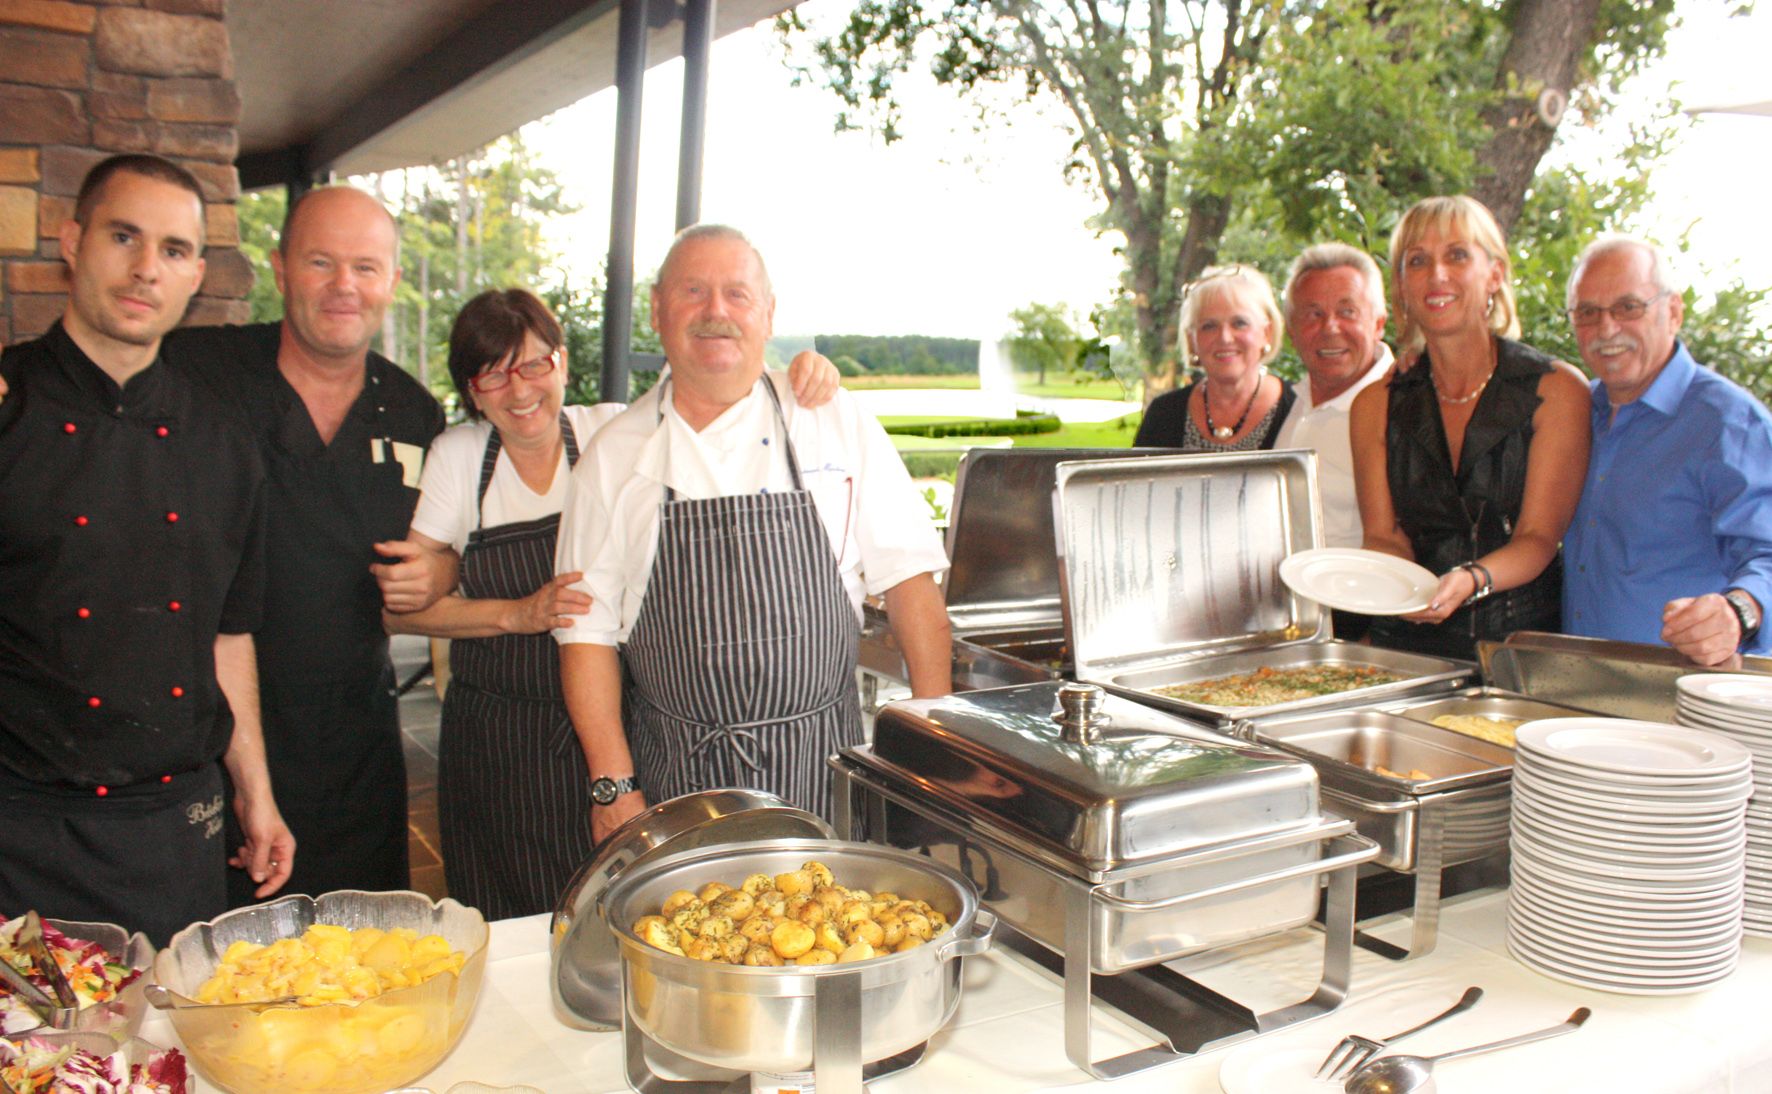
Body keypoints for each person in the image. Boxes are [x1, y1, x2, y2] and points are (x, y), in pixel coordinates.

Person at [378, 289, 839, 917]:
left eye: (535, 365)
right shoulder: (460, 457)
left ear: (562, 363)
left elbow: (718, 387)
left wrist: (800, 372)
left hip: (604, 729)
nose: (519, 391)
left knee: (613, 913)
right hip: (499, 741)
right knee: (508, 915)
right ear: (471, 388)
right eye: (493, 373)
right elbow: (403, 609)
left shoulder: (610, 432)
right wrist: (513, 613)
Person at [556, 224, 952, 841]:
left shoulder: (833, 421)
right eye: (693, 291)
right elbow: (585, 634)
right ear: (658, 311)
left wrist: (934, 747)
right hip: (677, 787)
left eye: (737, 294)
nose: (716, 311)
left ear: (768, 314)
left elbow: (910, 586)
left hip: (824, 773)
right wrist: (613, 787)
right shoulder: (612, 456)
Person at [0, 155, 294, 943]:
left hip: (176, 827)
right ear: (72, 240)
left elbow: (228, 634)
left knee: (171, 1055)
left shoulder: (224, 440)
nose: (143, 270)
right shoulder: (10, 406)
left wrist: (254, 793)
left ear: (196, 274)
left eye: (171, 250)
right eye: (123, 236)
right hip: (21, 825)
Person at [164, 187, 449, 902]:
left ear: (390, 281)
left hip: (357, 741)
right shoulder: (194, 371)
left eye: (366, 267)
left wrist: (443, 566)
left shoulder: (416, 412)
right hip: (211, 738)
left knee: (363, 959)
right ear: (281, 268)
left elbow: (446, 543)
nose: (344, 286)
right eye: (321, 262)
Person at [1350, 195, 1591, 661]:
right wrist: (1409, 590)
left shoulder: (1557, 390)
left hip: (1518, 652)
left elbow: (1538, 537)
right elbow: (1381, 536)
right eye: (1416, 261)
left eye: (1457, 255)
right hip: (1404, 649)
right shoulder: (1374, 404)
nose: (1436, 275)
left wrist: (1471, 579)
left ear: (1495, 274)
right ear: (1401, 286)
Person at [1560, 236, 1772, 665]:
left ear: (1673, 312)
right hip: (1577, 690)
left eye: (1628, 307)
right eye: (1588, 313)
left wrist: (1737, 611)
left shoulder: (1729, 423)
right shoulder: (1575, 413)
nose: (1606, 329)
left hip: (1688, 702)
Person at [1273, 244, 1394, 642]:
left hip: (1365, 633)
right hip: (1289, 626)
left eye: (1347, 311)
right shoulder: (1289, 404)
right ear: (1291, 330)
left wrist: (1378, 638)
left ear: (1378, 322)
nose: (1330, 328)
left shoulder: (1406, 409)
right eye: (1312, 314)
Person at [1133, 264, 1295, 451]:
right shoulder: (1163, 414)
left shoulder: (1298, 411)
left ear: (1267, 332)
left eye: (1239, 323)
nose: (1225, 338)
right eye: (1209, 326)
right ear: (1191, 340)